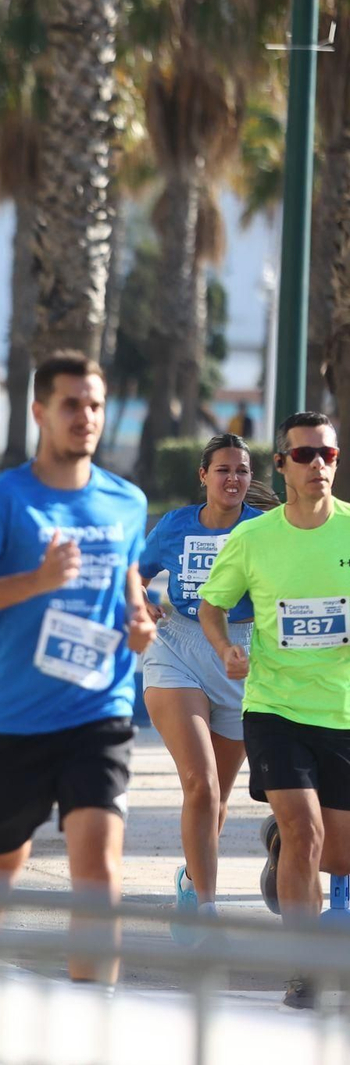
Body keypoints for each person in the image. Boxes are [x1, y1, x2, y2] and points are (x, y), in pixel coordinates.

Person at [0, 352, 155, 992]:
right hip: (7, 720)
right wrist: (36, 581)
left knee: (100, 872)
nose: (85, 417)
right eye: (70, 404)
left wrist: (139, 620)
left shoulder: (125, 501)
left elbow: (127, 576)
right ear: (39, 412)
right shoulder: (2, 501)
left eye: (94, 404)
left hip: (97, 713)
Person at [199, 411, 350, 1010]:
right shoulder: (254, 538)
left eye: (329, 455)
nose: (319, 465)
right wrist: (225, 649)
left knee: (335, 854)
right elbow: (213, 606)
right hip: (274, 707)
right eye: (306, 455)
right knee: (304, 829)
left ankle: (281, 851)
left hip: (341, 711)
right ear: (282, 465)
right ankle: (304, 968)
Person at [136, 433, 262, 940]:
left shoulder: (263, 529)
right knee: (200, 782)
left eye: (243, 471)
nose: (233, 478)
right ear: (203, 476)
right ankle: (206, 911)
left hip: (243, 655)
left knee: (219, 796)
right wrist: (142, 600)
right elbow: (137, 572)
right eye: (223, 469)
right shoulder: (175, 525)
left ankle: (191, 879)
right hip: (178, 647)